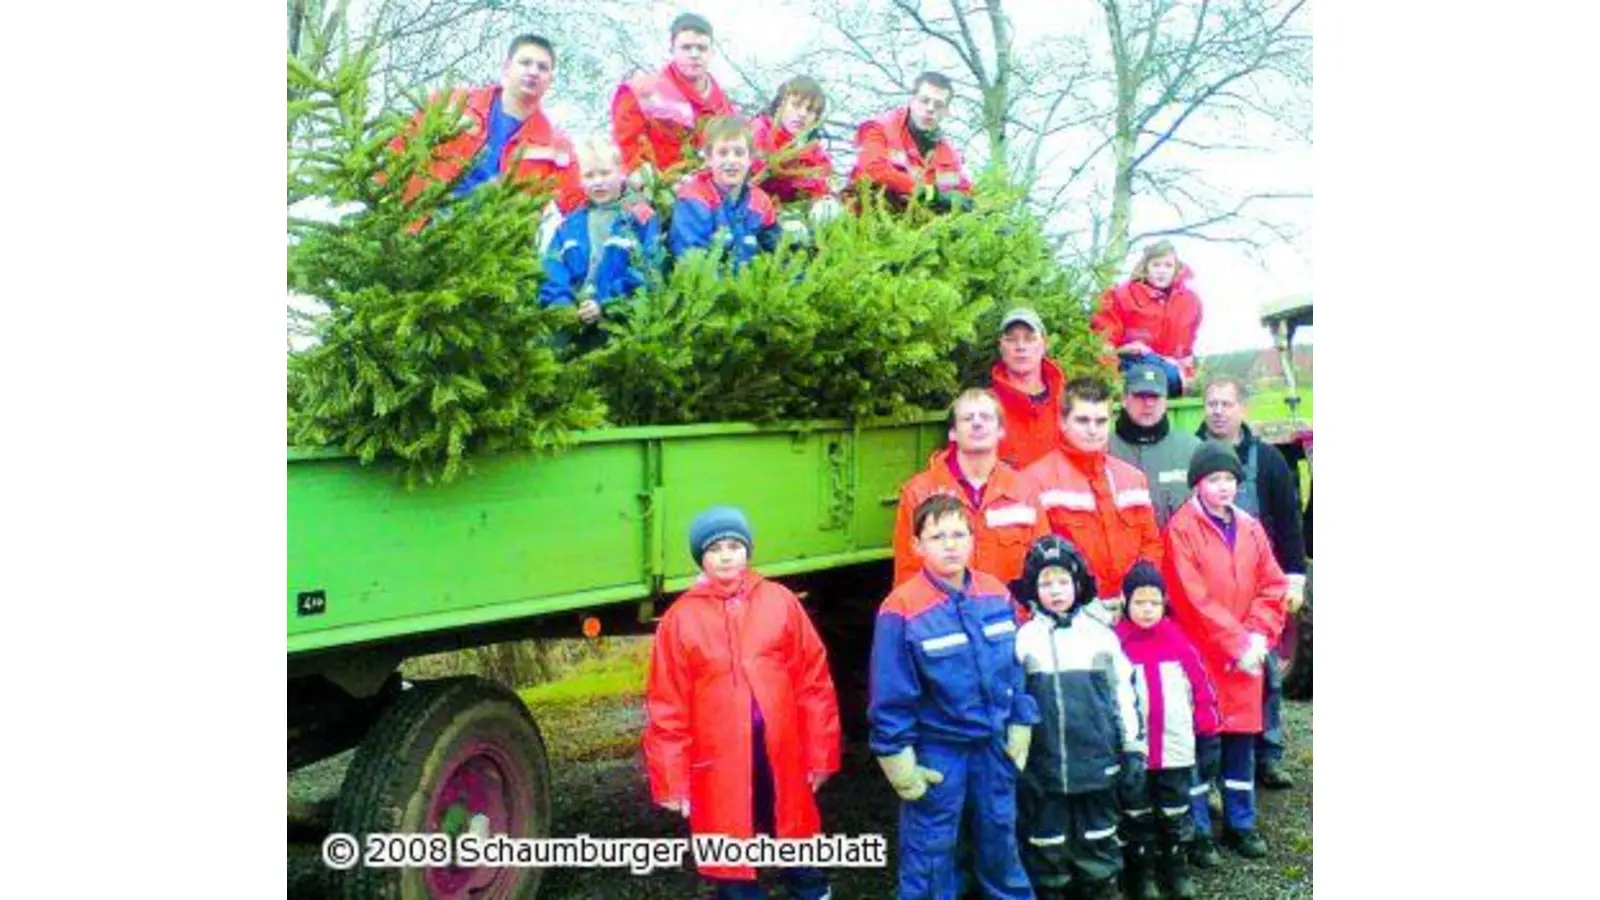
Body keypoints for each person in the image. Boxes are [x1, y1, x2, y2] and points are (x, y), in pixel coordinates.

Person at [643, 506, 840, 900]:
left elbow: (813, 683)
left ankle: (813, 890)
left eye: (735, 545)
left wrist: (821, 756)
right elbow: (667, 705)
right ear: (701, 558)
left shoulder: (780, 601)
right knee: (730, 843)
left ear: (748, 550)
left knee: (796, 829)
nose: (727, 555)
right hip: (718, 763)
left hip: (780, 753)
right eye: (715, 548)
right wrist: (672, 781)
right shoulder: (680, 619)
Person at [869, 494, 1037, 900]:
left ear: (973, 539)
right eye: (937, 536)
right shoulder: (902, 608)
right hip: (938, 753)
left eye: (959, 534)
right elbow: (890, 693)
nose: (950, 544)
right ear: (917, 546)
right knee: (931, 853)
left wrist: (1020, 721)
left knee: (1000, 841)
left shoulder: (995, 593)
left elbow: (1015, 668)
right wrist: (899, 760)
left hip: (993, 747)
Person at [1161, 442, 1288, 860]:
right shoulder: (1181, 528)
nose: (1223, 487)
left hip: (1246, 659)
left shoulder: (1251, 527)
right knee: (1200, 746)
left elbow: (1273, 585)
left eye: (1230, 479)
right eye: (1214, 479)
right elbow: (1190, 599)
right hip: (1203, 660)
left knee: (1240, 746)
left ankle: (1241, 823)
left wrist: (1258, 637)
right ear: (1198, 483)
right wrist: (1238, 643)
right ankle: (1197, 830)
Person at [1010, 535, 1146, 900]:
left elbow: (1125, 693)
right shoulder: (1024, 641)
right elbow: (1012, 706)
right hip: (1044, 770)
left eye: (1062, 581)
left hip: (1097, 766)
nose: (1055, 591)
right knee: (1046, 846)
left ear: (1078, 584)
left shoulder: (1101, 637)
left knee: (1098, 842)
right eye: (1045, 583)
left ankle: (1102, 889)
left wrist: (1133, 749)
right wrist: (1017, 765)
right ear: (1032, 590)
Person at [1198, 377, 1308, 791]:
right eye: (1212, 403)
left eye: (1227, 403)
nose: (1219, 411)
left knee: (1267, 676)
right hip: (1210, 594)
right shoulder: (1191, 453)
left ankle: (1269, 754)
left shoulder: (1269, 460)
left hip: (1261, 589)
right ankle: (1217, 762)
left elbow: (1290, 521)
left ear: (1242, 408)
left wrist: (1294, 579)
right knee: (1213, 680)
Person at [1113, 561, 1221, 900]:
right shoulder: (1117, 644)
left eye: (1154, 603)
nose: (1147, 610)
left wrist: (1207, 726)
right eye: (1139, 602)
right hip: (1137, 751)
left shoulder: (1177, 640)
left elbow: (1202, 686)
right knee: (1137, 810)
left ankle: (1175, 864)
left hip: (1174, 746)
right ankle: (1141, 872)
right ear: (1126, 602)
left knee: (1175, 808)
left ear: (1164, 603)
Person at [389, 34, 584, 215]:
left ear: (550, 79)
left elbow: (579, 204)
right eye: (525, 63)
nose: (533, 72)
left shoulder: (555, 145)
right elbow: (398, 152)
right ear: (507, 67)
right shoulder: (451, 103)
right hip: (421, 230)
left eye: (543, 67)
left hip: (494, 244)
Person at [1024, 376, 1163, 624]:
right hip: (1071, 617)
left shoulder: (1133, 478)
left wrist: (1134, 595)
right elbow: (1038, 560)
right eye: (1082, 420)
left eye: (1101, 421)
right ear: (1063, 423)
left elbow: (1151, 545)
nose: (1092, 429)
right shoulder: (1035, 481)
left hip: (1131, 614)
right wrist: (1085, 603)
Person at [892, 388, 1050, 591]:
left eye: (985, 417)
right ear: (953, 433)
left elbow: (1043, 567)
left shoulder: (1025, 491)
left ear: (1001, 430)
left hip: (1008, 618)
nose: (977, 423)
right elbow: (907, 574)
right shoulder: (918, 493)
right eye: (967, 418)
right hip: (943, 620)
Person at [537, 135, 662, 351]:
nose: (598, 182)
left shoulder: (641, 217)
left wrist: (605, 303)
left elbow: (648, 270)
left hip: (621, 321)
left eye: (605, 173)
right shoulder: (569, 225)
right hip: (573, 320)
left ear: (621, 172)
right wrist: (562, 306)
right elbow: (552, 268)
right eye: (589, 175)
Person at [611, 12, 737, 184]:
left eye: (702, 48)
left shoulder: (724, 106)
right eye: (686, 47)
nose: (694, 54)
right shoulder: (641, 93)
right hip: (656, 195)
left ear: (712, 52)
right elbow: (627, 153)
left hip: (711, 197)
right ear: (672, 50)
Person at [849, 71, 973, 213]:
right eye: (925, 100)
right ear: (912, 100)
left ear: (946, 111)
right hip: (868, 216)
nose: (930, 108)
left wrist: (958, 199)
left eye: (938, 105)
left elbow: (961, 190)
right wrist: (930, 193)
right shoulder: (880, 128)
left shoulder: (949, 157)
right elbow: (873, 170)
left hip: (920, 225)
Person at [1091, 241, 1203, 397]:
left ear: (1176, 268)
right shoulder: (1122, 295)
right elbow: (1104, 341)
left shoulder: (1190, 301)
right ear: (1145, 267)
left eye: (1168, 266)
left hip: (1174, 371)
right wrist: (1113, 377)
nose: (1162, 271)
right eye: (1156, 265)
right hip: (1134, 364)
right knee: (1164, 378)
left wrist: (1187, 373)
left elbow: (1188, 346)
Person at [669, 117, 782, 269]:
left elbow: (779, 253)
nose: (731, 160)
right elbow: (690, 258)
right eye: (723, 153)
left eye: (739, 153)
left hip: (749, 285)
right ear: (709, 158)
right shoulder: (694, 197)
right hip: (705, 287)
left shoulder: (760, 202)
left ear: (750, 159)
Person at [1108, 362, 1204, 528]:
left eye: (1155, 396)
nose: (1148, 404)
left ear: (1166, 401)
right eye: (1140, 396)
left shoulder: (1192, 450)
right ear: (1124, 399)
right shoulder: (1103, 450)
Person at [989, 308, 1068, 472]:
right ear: (1000, 347)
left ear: (1044, 345)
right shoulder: (984, 406)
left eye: (1030, 339)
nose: (1020, 346)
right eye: (1011, 339)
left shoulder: (1071, 401)